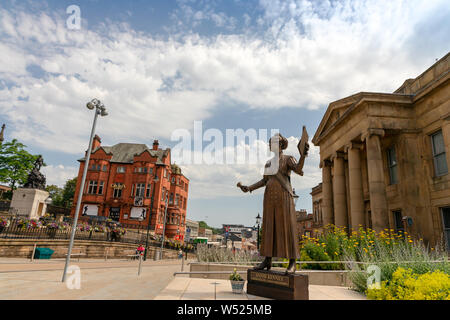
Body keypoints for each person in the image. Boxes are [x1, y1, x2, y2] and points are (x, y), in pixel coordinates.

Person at [238, 133, 309, 274]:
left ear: (281, 145)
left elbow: (299, 170)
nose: (271, 145)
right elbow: (264, 181)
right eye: (270, 143)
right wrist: (249, 188)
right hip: (269, 198)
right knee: (269, 228)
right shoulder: (268, 163)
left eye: (273, 142)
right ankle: (267, 260)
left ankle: (292, 262)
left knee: (287, 227)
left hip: (284, 197)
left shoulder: (288, 159)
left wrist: (303, 156)